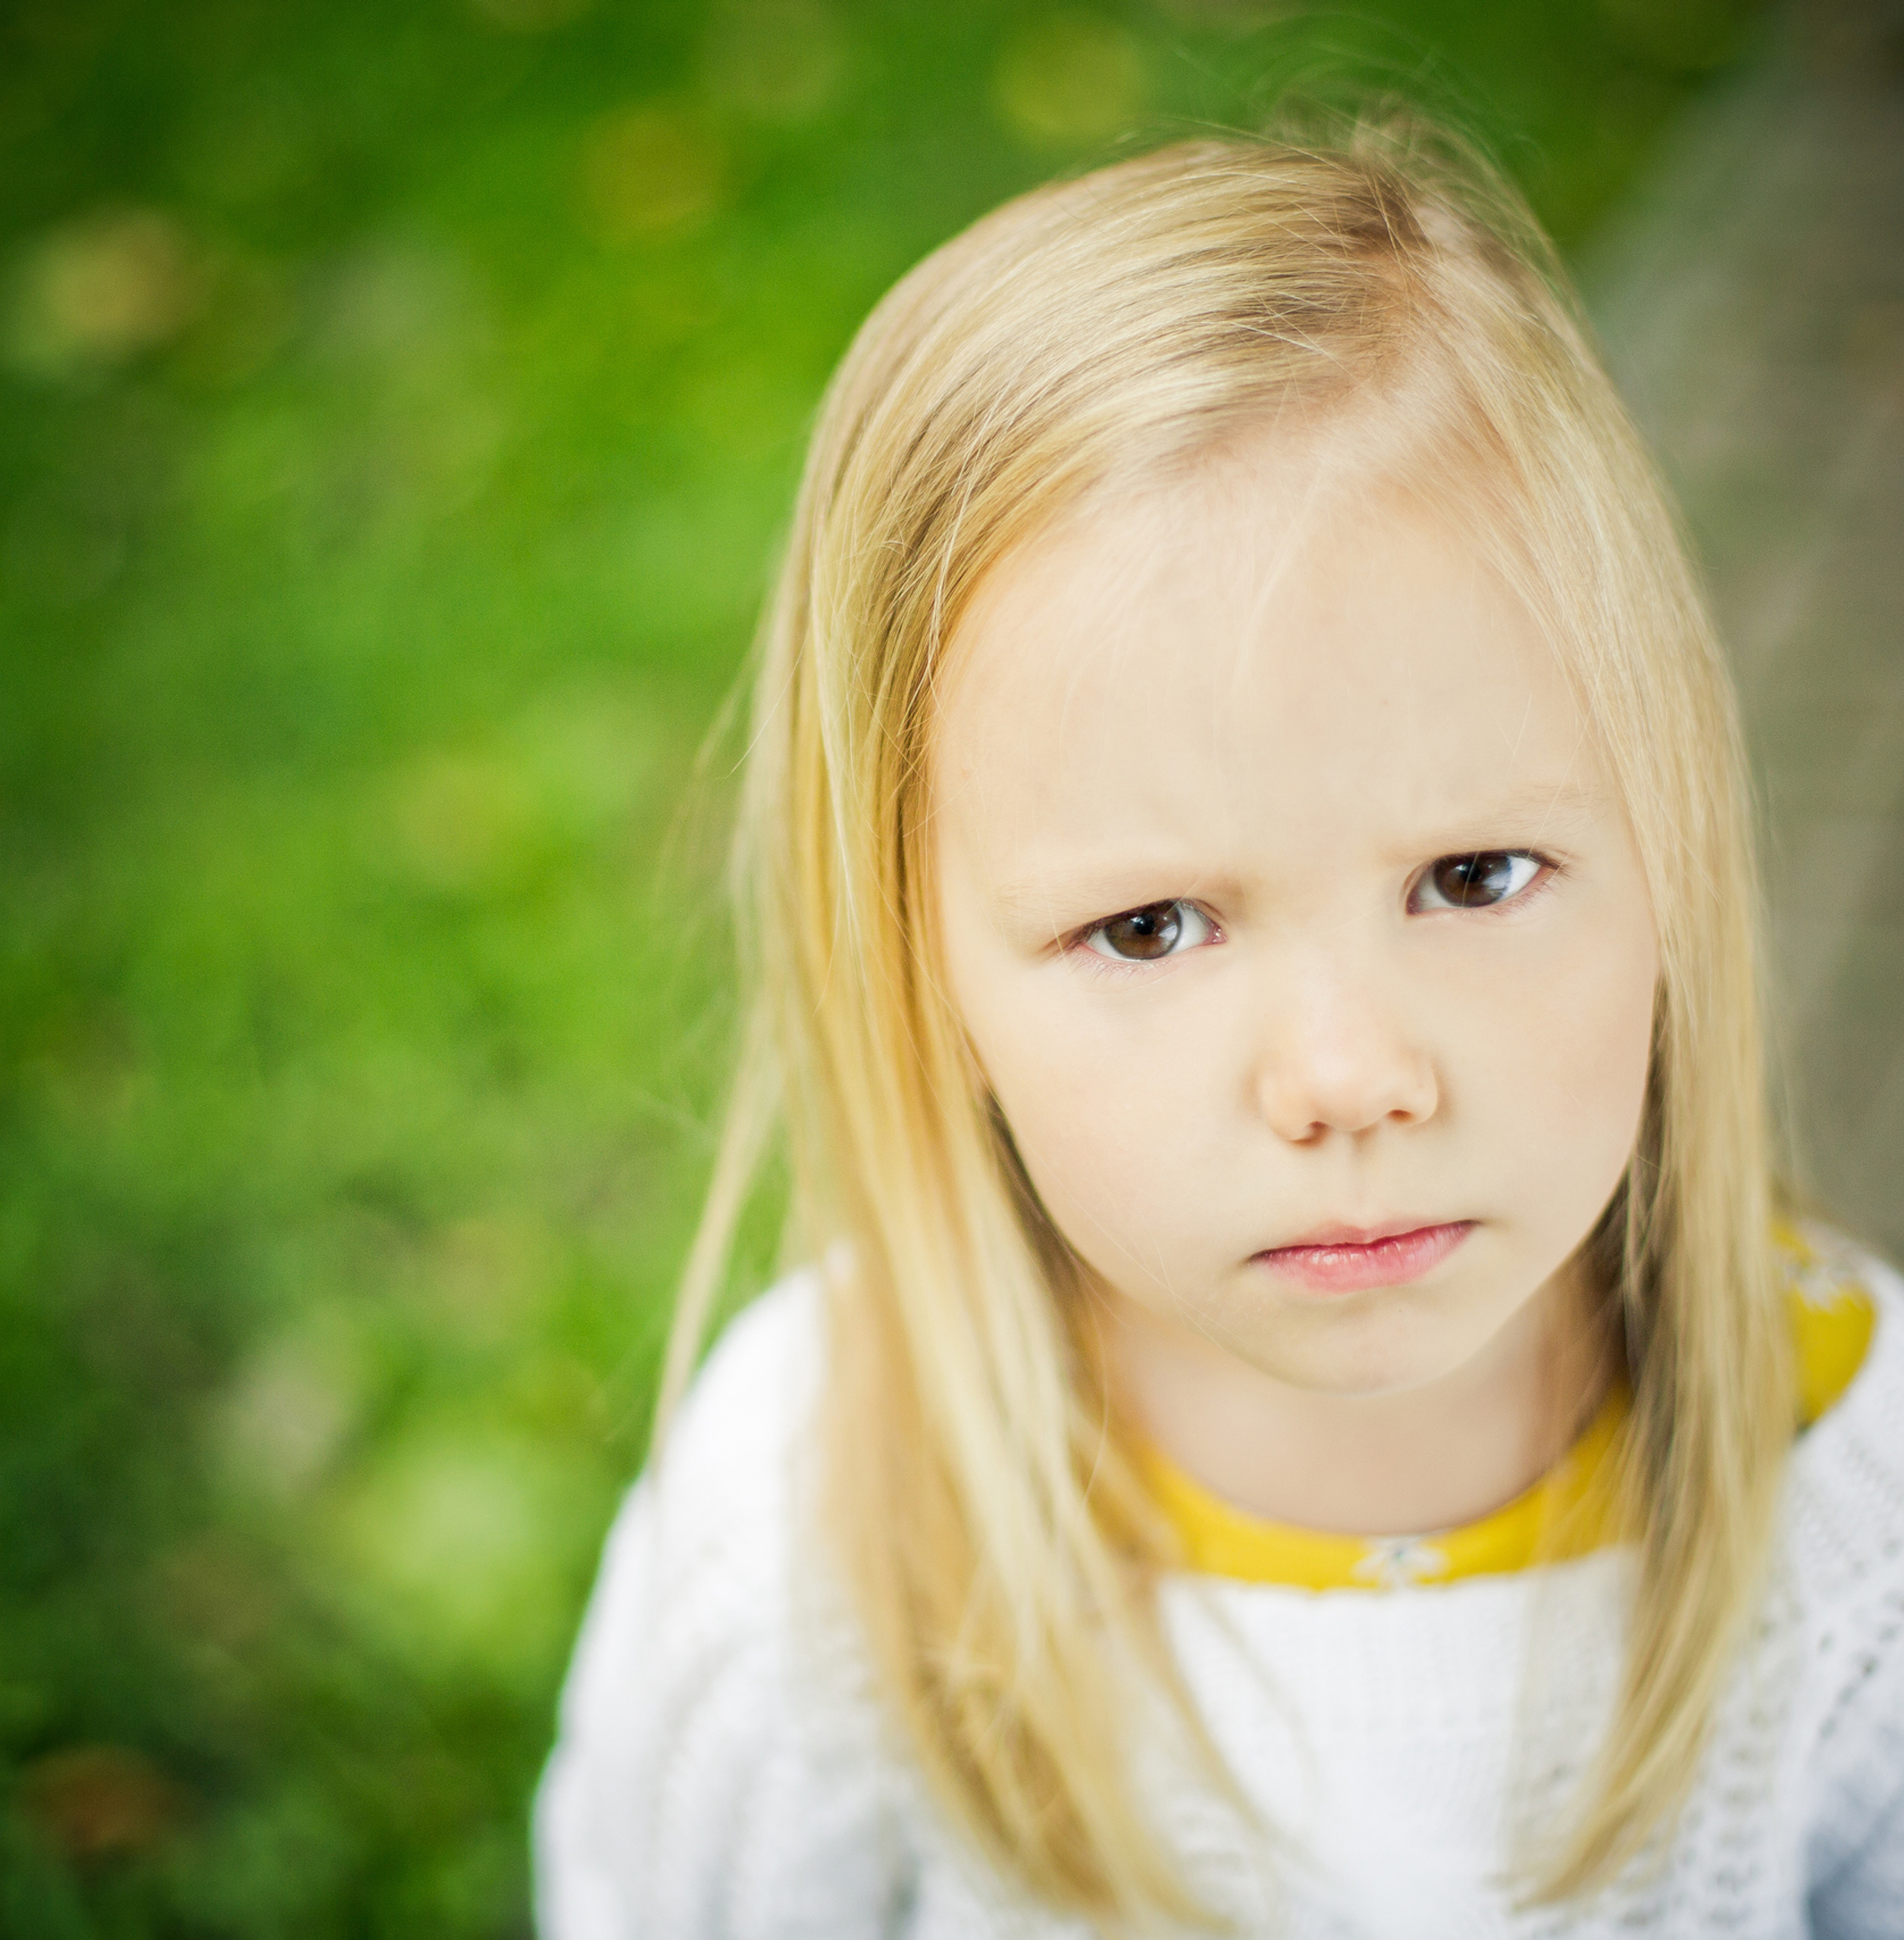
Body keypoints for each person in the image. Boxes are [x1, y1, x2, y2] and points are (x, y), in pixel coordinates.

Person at [534, 124, 1904, 1937]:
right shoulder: (815, 1524)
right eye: (1149, 924)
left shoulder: (1855, 1533)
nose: (1347, 1077)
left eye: (1475, 873)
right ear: (917, 965)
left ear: (1672, 840)